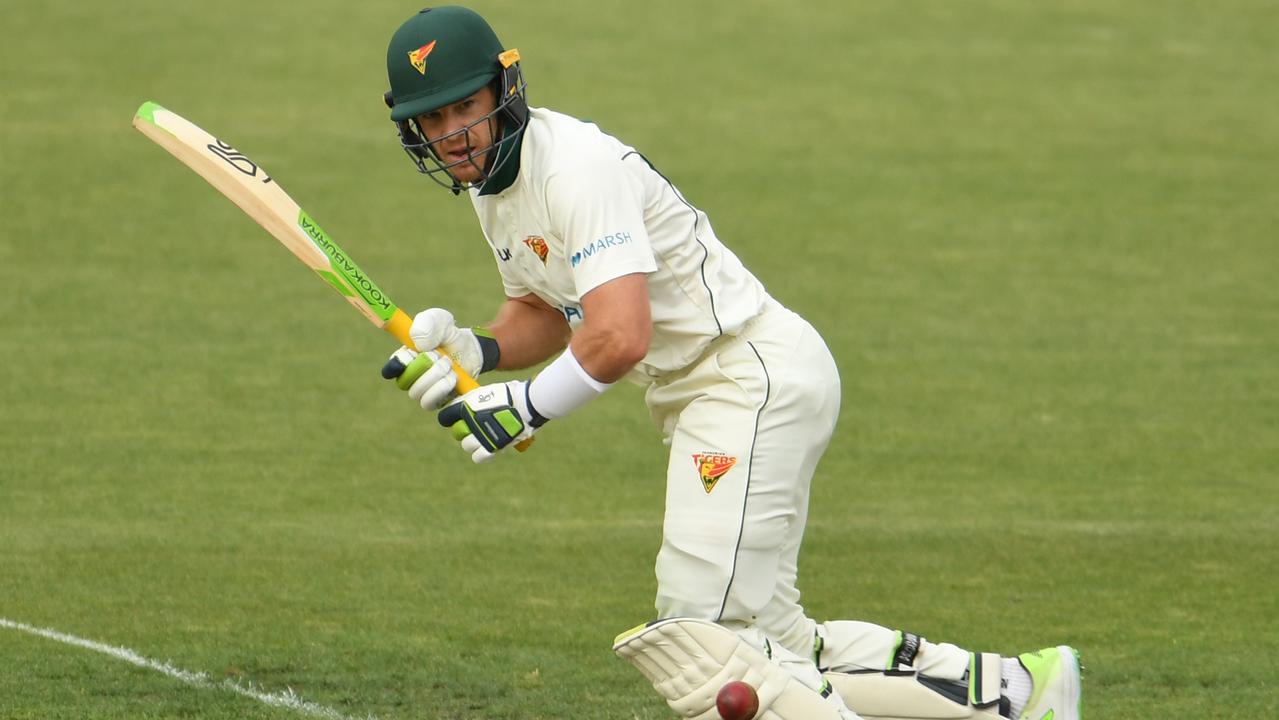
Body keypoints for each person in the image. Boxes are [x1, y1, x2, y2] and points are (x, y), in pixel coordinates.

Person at [378, 7, 1083, 720]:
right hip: (720, 390)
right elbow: (545, 311)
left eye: (463, 108)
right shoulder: (492, 186)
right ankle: (1017, 692)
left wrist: (527, 407)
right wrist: (479, 348)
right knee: (773, 640)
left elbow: (618, 335)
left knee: (703, 642)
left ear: (505, 90)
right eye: (430, 121)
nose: (451, 136)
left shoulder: (574, 169)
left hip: (745, 378)